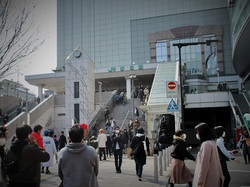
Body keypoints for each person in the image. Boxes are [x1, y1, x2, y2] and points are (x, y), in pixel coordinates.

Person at [193, 123, 224, 187]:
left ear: (202, 133)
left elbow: (204, 164)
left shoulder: (206, 144)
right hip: (214, 175)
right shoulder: (212, 142)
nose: (197, 135)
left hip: (207, 178)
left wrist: (201, 180)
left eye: (198, 132)